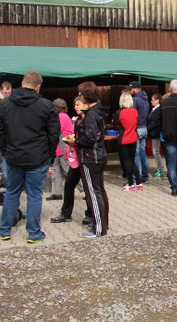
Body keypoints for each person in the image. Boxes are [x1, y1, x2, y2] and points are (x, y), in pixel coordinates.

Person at [0, 70, 59, 243]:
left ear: (22, 83)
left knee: (12, 192)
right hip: (37, 157)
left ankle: (4, 230)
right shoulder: (46, 105)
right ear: (38, 86)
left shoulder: (4, 105)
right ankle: (34, 233)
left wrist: (5, 151)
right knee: (34, 195)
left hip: (13, 156)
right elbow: (54, 134)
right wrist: (50, 154)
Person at [65, 82, 109, 238]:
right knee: (100, 191)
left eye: (80, 94)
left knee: (93, 192)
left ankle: (98, 228)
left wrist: (74, 142)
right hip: (99, 156)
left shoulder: (91, 114)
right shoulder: (97, 111)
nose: (78, 97)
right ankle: (103, 224)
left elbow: (89, 138)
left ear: (86, 95)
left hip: (91, 157)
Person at [50, 97, 91, 225]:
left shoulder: (88, 119)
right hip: (74, 154)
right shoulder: (77, 119)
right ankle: (65, 212)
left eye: (78, 104)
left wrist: (75, 141)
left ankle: (90, 214)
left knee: (88, 186)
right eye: (75, 105)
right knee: (68, 183)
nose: (75, 107)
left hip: (85, 157)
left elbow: (90, 138)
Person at [113, 91, 142, 192]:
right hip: (133, 138)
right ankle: (138, 182)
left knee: (127, 162)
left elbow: (114, 126)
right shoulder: (134, 111)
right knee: (132, 160)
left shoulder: (119, 113)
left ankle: (130, 184)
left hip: (124, 139)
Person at [47, 98, 75, 201]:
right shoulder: (63, 116)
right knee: (56, 171)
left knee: (69, 171)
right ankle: (56, 193)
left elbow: (55, 130)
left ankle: (85, 189)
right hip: (61, 148)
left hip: (63, 147)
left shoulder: (61, 117)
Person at [127, 81, 150, 183]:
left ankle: (137, 178)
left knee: (135, 154)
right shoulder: (145, 100)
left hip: (137, 129)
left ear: (136, 89)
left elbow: (132, 116)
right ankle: (145, 177)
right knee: (142, 154)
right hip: (144, 128)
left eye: (131, 89)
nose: (130, 91)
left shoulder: (135, 100)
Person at [147, 93, 166, 179]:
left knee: (156, 152)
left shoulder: (158, 110)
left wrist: (147, 129)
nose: (151, 101)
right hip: (153, 133)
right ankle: (159, 169)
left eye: (153, 100)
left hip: (156, 133)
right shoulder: (154, 110)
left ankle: (160, 170)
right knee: (155, 152)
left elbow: (155, 122)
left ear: (157, 100)